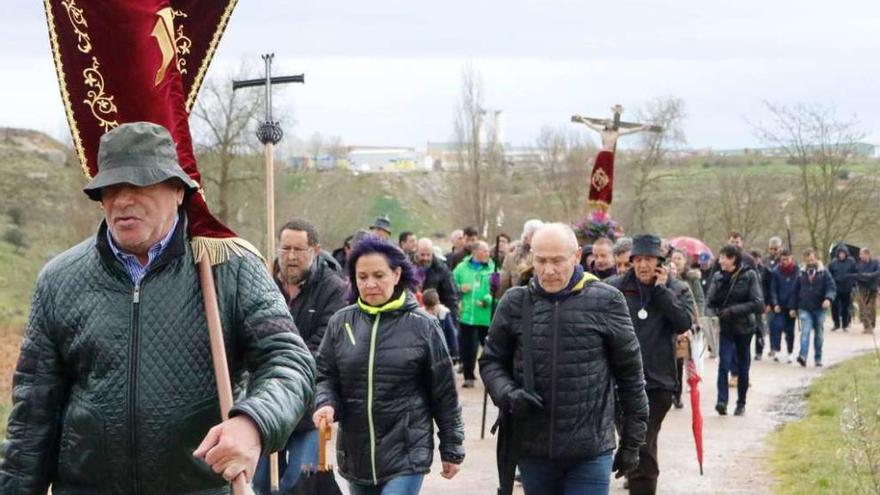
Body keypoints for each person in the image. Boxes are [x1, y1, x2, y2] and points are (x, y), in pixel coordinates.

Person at [0, 122, 316, 493]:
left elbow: (290, 363)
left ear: (178, 190)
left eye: (139, 184)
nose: (122, 200)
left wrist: (254, 422)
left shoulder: (229, 267)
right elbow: (32, 416)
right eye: (111, 188)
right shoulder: (60, 280)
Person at [480, 223, 648, 495]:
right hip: (533, 447)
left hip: (590, 448)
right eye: (541, 260)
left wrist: (633, 441)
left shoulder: (607, 301)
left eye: (557, 261)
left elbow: (630, 375)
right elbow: (491, 361)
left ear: (577, 256)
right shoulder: (514, 302)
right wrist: (508, 394)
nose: (548, 270)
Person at [313, 237, 465, 494]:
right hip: (357, 452)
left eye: (378, 275)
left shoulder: (423, 326)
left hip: (406, 452)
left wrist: (452, 447)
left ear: (396, 274)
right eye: (362, 277)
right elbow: (324, 375)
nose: (370, 283)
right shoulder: (341, 323)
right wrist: (325, 403)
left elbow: (444, 392)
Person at [254, 219, 348, 494]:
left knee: (297, 482)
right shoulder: (262, 284)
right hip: (267, 401)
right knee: (262, 482)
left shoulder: (333, 288)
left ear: (315, 250)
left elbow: (326, 344)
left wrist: (285, 363)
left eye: (299, 249)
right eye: (285, 249)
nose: (291, 256)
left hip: (309, 404)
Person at [606, 236, 692, 494]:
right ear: (631, 262)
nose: (643, 265)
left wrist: (660, 291)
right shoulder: (614, 289)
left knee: (641, 442)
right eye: (638, 260)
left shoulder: (677, 290)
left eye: (649, 260)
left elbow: (683, 323)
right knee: (634, 442)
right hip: (620, 382)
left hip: (658, 383)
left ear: (660, 263)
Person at [707, 244, 764, 416]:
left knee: (743, 366)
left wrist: (733, 311)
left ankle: (741, 403)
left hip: (744, 328)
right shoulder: (717, 277)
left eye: (723, 256)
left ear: (732, 259)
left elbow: (757, 303)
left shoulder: (749, 276)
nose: (720, 260)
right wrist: (712, 318)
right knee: (723, 364)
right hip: (725, 328)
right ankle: (722, 401)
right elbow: (709, 302)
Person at [453, 240, 495, 388]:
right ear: (475, 252)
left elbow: (497, 289)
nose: (487, 254)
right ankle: (468, 376)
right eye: (484, 251)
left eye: (488, 251)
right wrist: (460, 288)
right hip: (466, 314)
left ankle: (494, 374)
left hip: (485, 315)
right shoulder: (461, 268)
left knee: (489, 345)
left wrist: (487, 299)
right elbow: (451, 285)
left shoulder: (493, 268)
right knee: (468, 347)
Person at [670, 249, 704, 410]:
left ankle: (680, 391)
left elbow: (698, 300)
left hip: (686, 325)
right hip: (668, 327)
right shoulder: (665, 281)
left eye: (679, 258)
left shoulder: (690, 281)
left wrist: (697, 320)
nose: (675, 261)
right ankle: (673, 391)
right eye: (673, 258)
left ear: (684, 261)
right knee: (673, 362)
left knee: (683, 359)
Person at [416, 237, 460, 359]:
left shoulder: (442, 270)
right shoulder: (408, 267)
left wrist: (453, 320)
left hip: (434, 317)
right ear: (416, 252)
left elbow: (451, 296)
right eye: (422, 254)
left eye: (428, 255)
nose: (425, 258)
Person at [791, 249, 836, 367]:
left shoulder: (824, 272)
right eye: (807, 260)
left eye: (812, 259)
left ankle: (818, 357)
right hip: (804, 308)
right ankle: (803, 356)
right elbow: (795, 291)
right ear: (804, 260)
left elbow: (831, 287)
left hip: (819, 308)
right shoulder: (801, 273)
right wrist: (792, 307)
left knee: (819, 334)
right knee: (805, 332)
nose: (810, 262)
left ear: (815, 258)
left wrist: (828, 298)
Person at [498, 219, 544, 295]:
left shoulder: (548, 257)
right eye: (532, 234)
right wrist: (495, 285)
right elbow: (502, 290)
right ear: (525, 236)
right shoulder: (511, 258)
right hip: (518, 302)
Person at [768, 250, 799, 363]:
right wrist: (775, 303)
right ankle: (776, 349)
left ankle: (790, 352)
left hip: (791, 306)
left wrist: (793, 307)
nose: (784, 262)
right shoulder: (776, 271)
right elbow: (773, 289)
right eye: (782, 260)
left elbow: (797, 290)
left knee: (790, 330)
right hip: (779, 306)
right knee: (776, 327)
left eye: (787, 259)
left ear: (791, 258)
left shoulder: (796, 271)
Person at [423, 288, 460, 361]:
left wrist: (454, 353)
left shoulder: (444, 313)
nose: (430, 312)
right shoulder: (422, 314)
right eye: (428, 309)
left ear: (438, 303)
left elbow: (451, 335)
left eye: (433, 309)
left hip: (443, 350)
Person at [828, 245, 858, 331]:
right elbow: (829, 274)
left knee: (846, 307)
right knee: (834, 306)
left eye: (843, 253)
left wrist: (853, 283)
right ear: (837, 254)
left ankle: (845, 324)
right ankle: (836, 324)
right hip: (836, 287)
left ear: (846, 254)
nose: (841, 255)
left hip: (847, 287)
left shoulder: (851, 262)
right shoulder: (833, 262)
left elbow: (855, 273)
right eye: (840, 253)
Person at [855, 248, 880, 334]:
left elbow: (878, 272)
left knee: (871, 308)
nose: (860, 256)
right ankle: (866, 325)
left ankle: (870, 326)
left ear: (867, 254)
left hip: (872, 289)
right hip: (862, 289)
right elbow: (857, 275)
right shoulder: (858, 265)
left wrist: (869, 275)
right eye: (860, 254)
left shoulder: (875, 263)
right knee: (862, 308)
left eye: (862, 254)